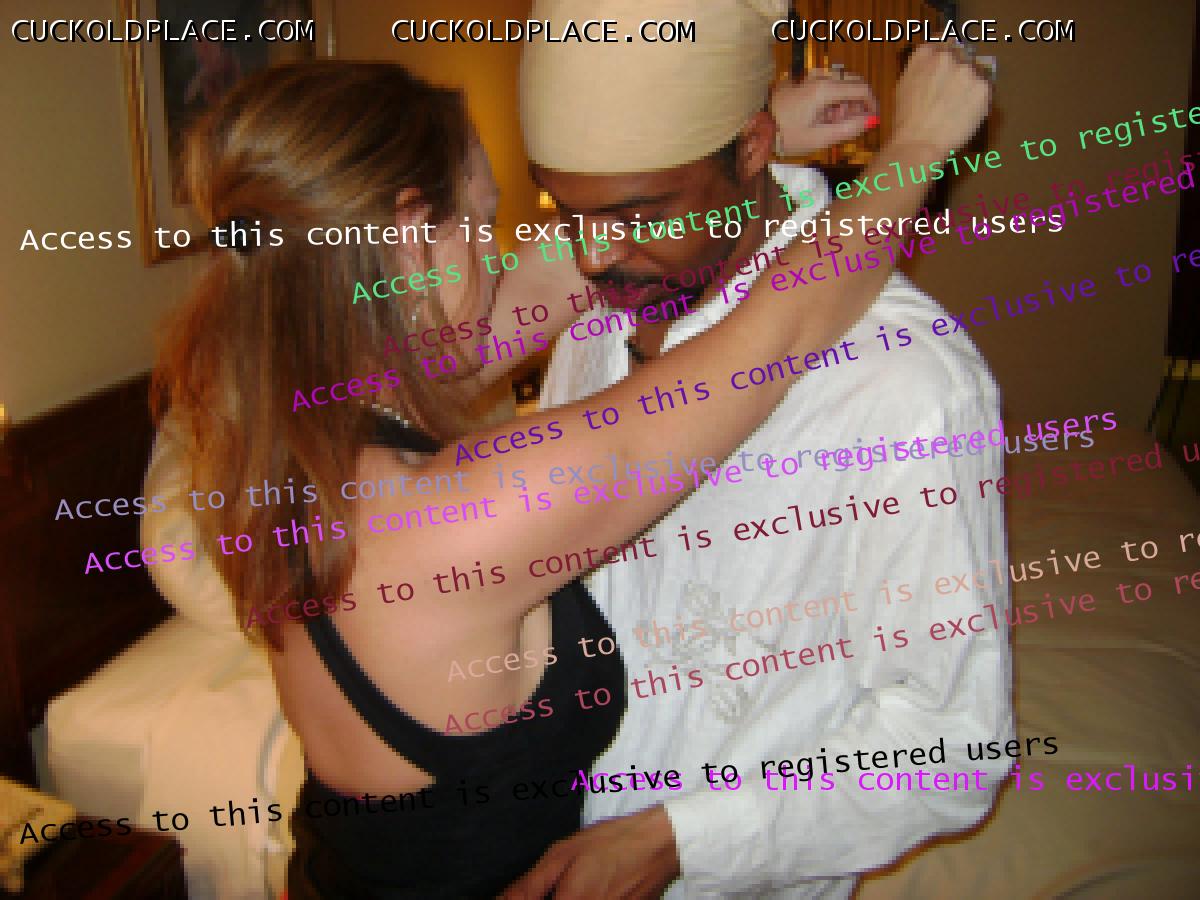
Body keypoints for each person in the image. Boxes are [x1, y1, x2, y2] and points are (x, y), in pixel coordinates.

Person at [148, 49, 989, 898]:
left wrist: (716, 148)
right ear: (408, 235)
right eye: (484, 222)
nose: (515, 258)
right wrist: (917, 146)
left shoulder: (269, 418)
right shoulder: (449, 519)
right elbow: (781, 330)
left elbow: (541, 288)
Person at [504, 2, 1013, 898]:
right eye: (564, 209)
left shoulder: (902, 384)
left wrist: (679, 839)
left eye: (636, 211)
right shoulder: (595, 323)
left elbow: (951, 742)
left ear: (749, 150)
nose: (590, 257)